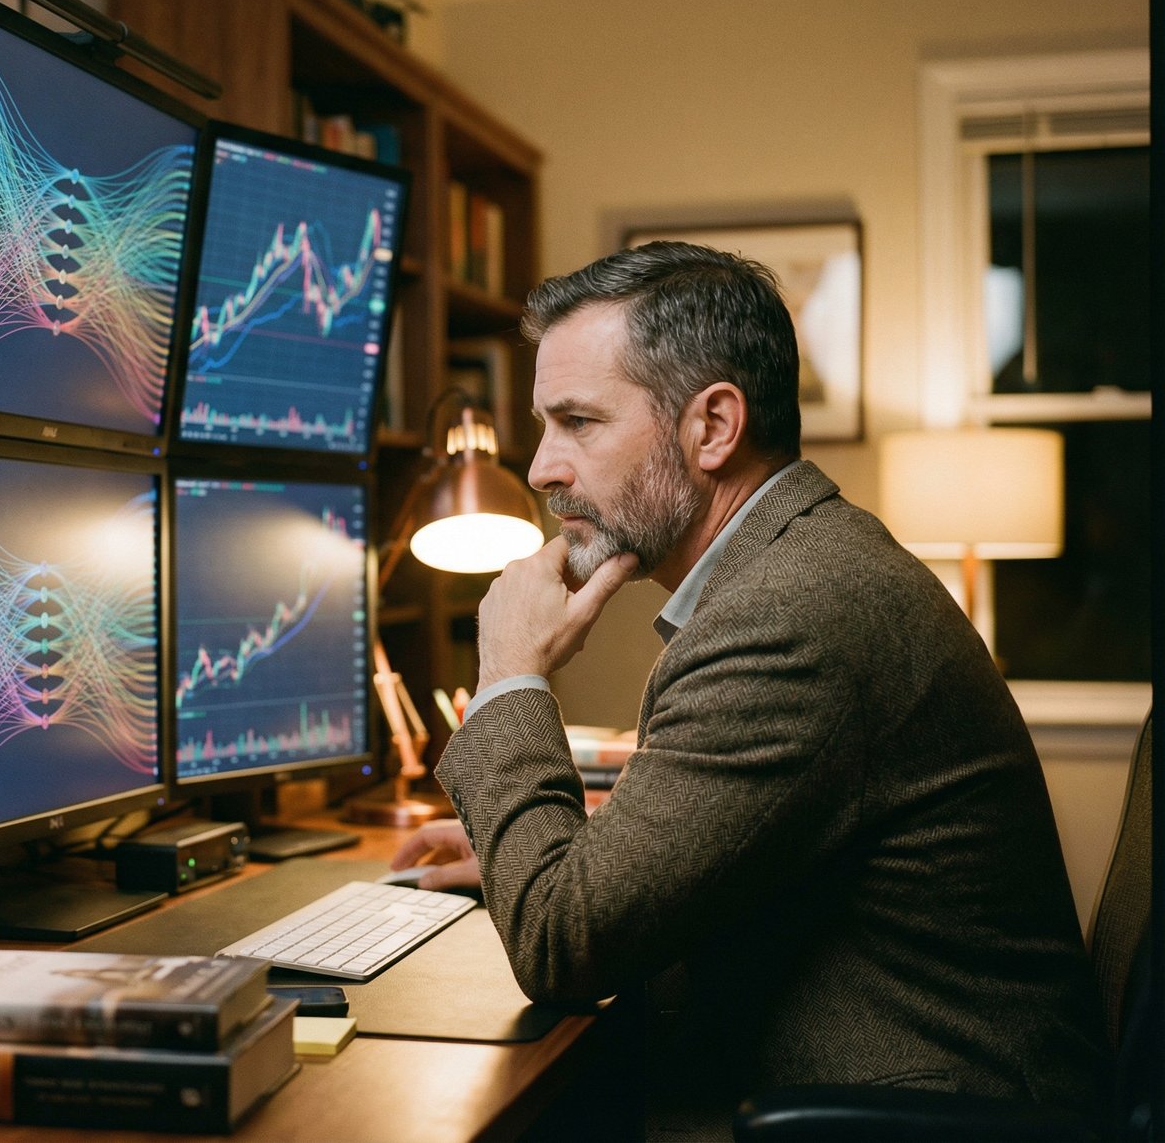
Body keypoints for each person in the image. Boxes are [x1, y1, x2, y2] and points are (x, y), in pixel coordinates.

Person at [392, 242, 1110, 1135]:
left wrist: (508, 675)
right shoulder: (799, 563)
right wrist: (537, 844)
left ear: (713, 427)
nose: (542, 468)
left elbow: (560, 943)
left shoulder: (790, 615)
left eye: (578, 422)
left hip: (924, 1111)